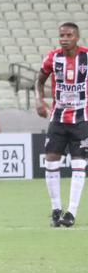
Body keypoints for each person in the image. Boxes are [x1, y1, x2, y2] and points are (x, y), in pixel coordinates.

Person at [36, 22, 88, 228]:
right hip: (57, 118)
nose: (64, 39)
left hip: (82, 119)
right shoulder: (53, 57)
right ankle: (56, 209)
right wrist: (39, 100)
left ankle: (71, 212)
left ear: (77, 37)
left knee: (79, 164)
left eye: (69, 35)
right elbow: (39, 80)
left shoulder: (86, 57)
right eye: (61, 35)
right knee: (50, 161)